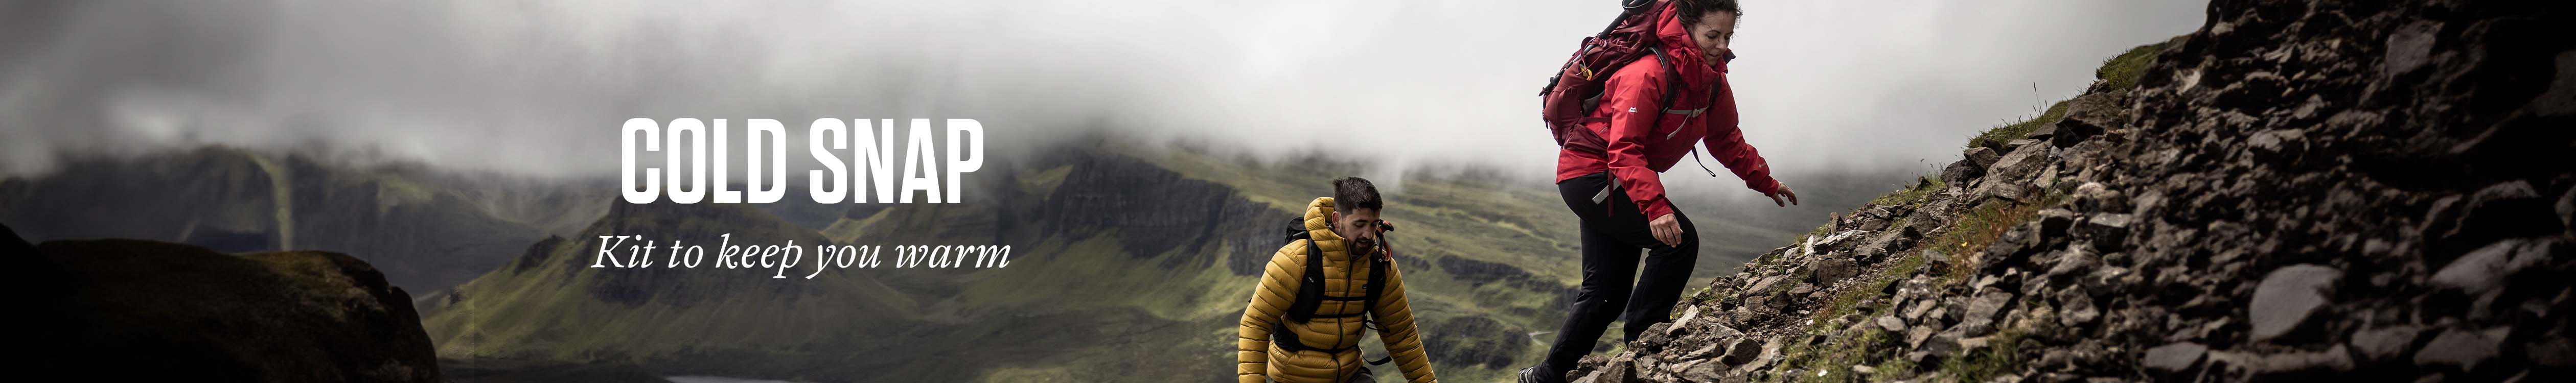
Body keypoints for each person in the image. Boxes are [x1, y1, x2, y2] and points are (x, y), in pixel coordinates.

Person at [1523, 1, 1797, 382]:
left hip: (1611, 179)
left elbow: (1726, 138)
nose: (1721, 45)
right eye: (1712, 35)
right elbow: (1624, 149)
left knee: (1607, 290)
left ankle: (1547, 376)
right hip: (1592, 175)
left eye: (1728, 36)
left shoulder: (1712, 80)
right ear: (1686, 29)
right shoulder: (1648, 74)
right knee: (1677, 242)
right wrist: (1655, 207)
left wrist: (1764, 181)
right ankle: (1646, 345)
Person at [1238, 177, 1437, 383]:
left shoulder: (1380, 267)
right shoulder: (1295, 260)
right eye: (1359, 224)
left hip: (1350, 375)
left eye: (1374, 224)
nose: (1368, 235)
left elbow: (1402, 334)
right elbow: (1256, 324)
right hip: (1295, 376)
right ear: (1337, 219)